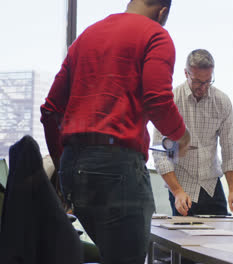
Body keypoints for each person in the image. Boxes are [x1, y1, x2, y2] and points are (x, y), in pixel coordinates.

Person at [40, 1, 190, 263]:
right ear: (162, 12)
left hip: (73, 171)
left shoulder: (86, 36)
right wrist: (182, 135)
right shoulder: (156, 34)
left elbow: (50, 110)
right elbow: (157, 99)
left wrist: (62, 166)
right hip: (117, 169)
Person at [153, 49, 233, 217]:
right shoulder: (171, 100)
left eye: (208, 81)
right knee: (183, 241)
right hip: (181, 188)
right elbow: (161, 153)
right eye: (197, 82)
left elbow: (230, 149)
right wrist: (177, 191)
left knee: (222, 239)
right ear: (186, 73)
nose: (203, 87)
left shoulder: (222, 102)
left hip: (211, 187)